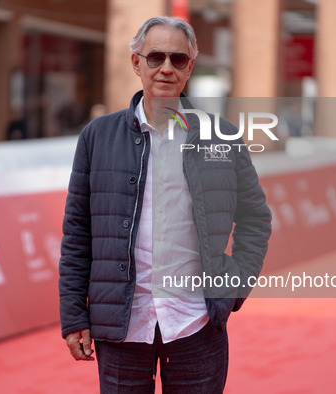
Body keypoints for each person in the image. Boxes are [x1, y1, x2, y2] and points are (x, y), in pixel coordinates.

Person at [59, 16, 272, 393]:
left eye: (178, 59)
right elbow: (78, 231)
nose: (166, 68)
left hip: (196, 324)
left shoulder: (221, 137)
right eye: (155, 57)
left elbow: (255, 217)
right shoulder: (97, 137)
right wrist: (74, 314)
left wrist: (232, 289)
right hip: (122, 328)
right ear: (136, 63)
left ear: (190, 66)